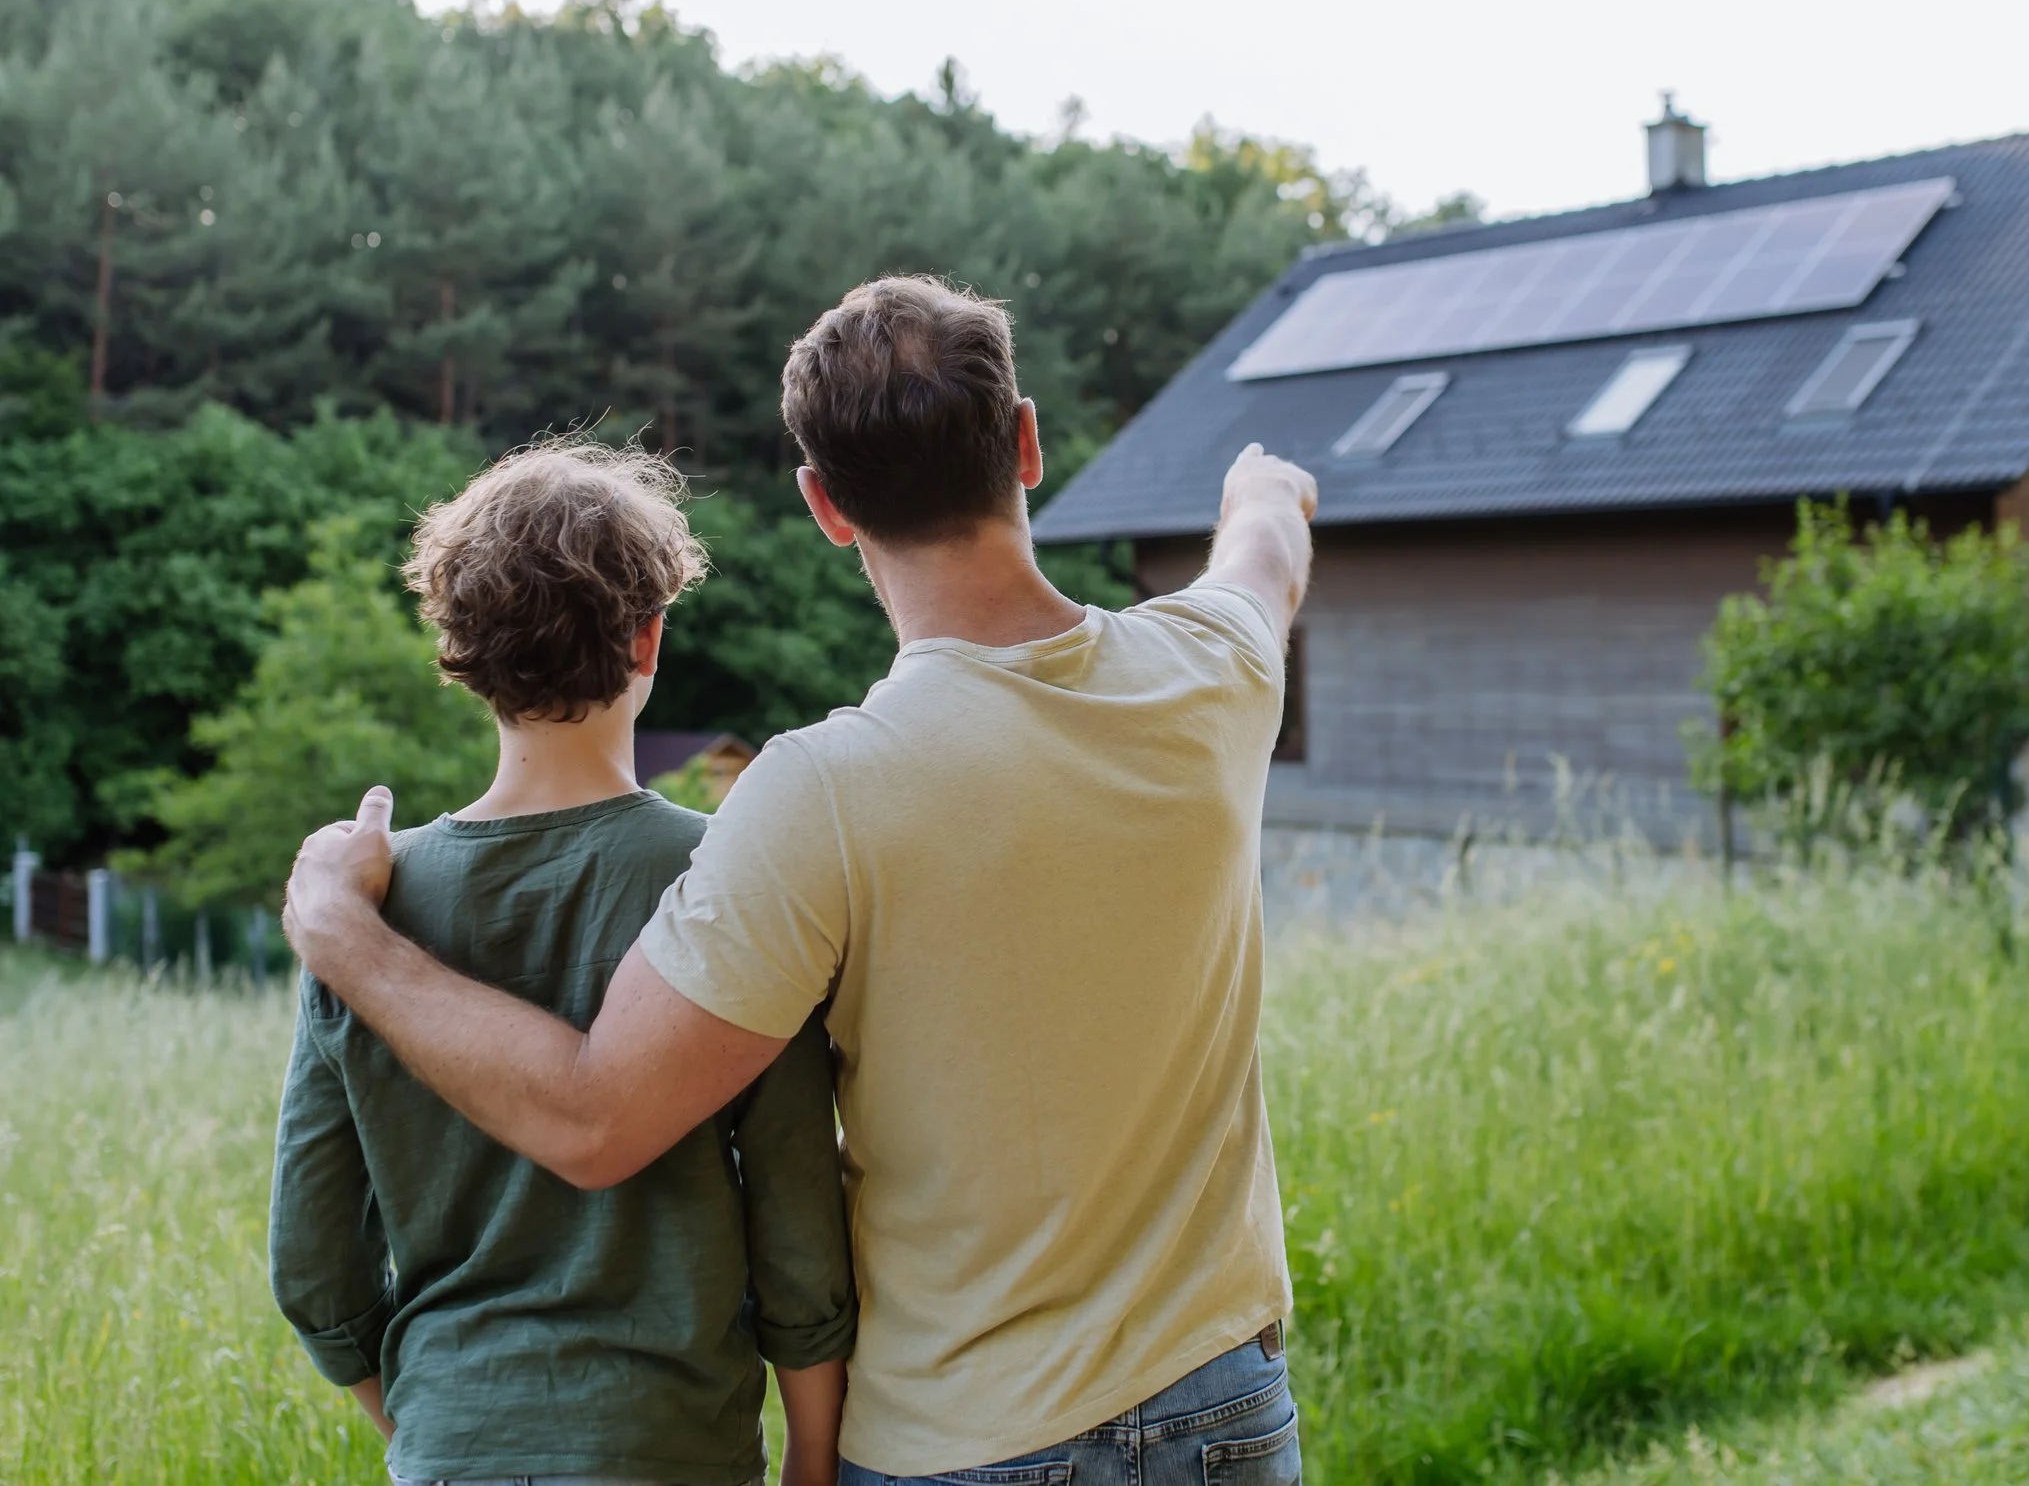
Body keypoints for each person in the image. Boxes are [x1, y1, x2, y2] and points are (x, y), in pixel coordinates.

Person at [284, 275, 1320, 1484]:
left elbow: (593, 1116)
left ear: (824, 504)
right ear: (1026, 442)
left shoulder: (816, 792)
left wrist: (342, 934)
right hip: (1223, 1407)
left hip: (962, 1442)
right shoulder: (1215, 667)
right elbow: (1265, 558)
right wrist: (1262, 485)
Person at [268, 441, 855, 1486]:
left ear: (458, 650)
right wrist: (813, 1452)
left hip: (450, 1439)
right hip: (670, 1446)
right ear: (648, 637)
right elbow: (795, 1205)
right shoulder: (723, 872)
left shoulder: (357, 905)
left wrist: (433, 1428)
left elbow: (314, 1253)